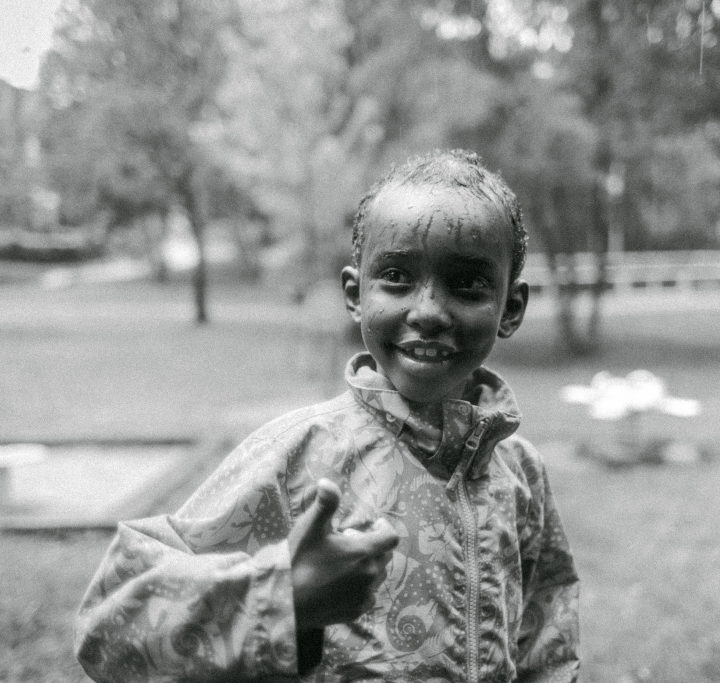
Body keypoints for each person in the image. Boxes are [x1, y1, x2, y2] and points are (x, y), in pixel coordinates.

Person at [75, 149, 580, 682]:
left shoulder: (520, 473)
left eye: (468, 284)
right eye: (396, 276)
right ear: (355, 294)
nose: (429, 310)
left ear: (512, 308)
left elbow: (548, 634)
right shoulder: (299, 456)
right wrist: (285, 595)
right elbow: (109, 632)